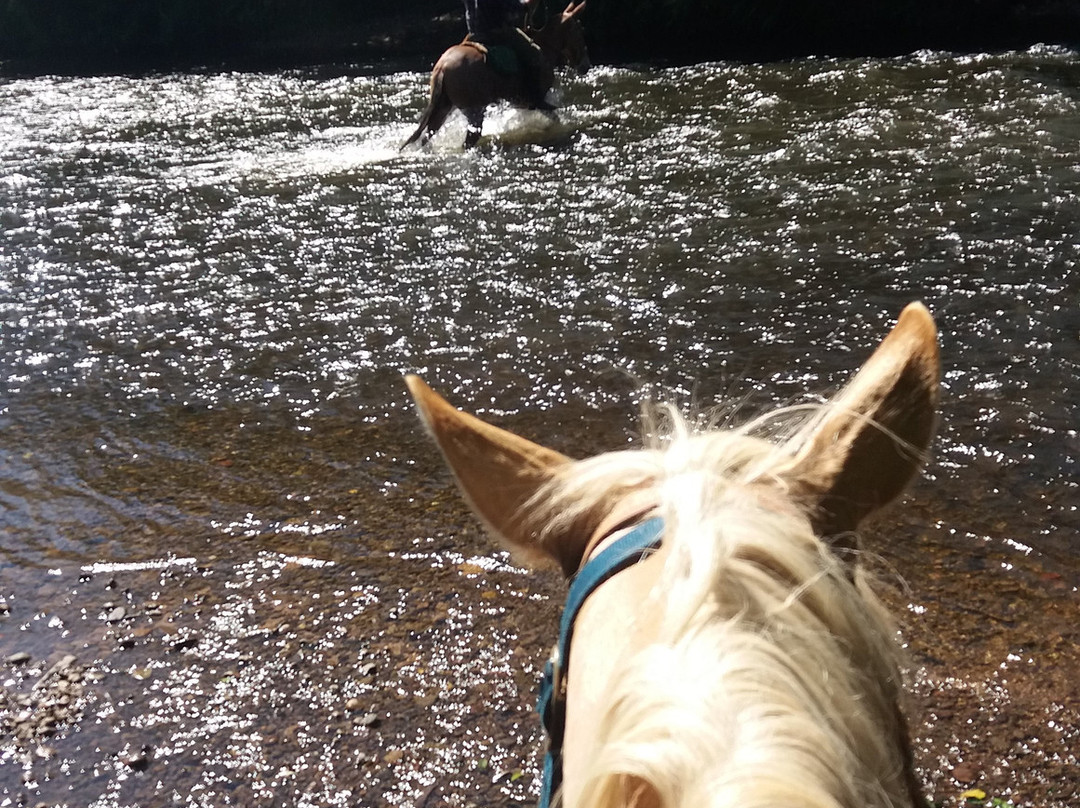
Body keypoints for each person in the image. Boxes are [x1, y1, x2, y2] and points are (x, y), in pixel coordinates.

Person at [462, 0, 555, 111]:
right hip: (497, 33)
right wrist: (526, 4)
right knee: (534, 53)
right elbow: (511, 7)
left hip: (474, 34)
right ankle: (536, 99)